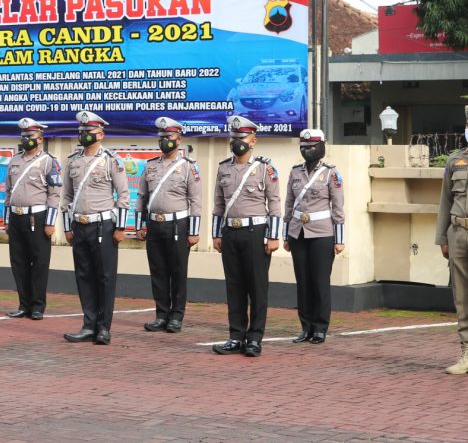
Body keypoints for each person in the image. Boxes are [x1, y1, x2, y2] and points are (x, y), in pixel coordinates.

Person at [211, 116, 281, 358]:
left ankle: (254, 338)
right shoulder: (223, 167)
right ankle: (236, 336)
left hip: (256, 233)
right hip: (230, 232)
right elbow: (218, 204)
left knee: (257, 287)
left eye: (242, 137)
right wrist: (215, 234)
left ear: (253, 140)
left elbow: (274, 204)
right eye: (234, 138)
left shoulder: (265, 168)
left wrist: (274, 236)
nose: (237, 142)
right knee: (234, 286)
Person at [61, 111, 128, 345]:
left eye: (88, 131)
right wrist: (67, 227)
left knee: (105, 278)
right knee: (84, 276)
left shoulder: (111, 160)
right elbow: (66, 196)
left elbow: (123, 196)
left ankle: (103, 328)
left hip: (103, 227)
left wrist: (120, 227)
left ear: (100, 134)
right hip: (79, 225)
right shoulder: (73, 160)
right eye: (81, 131)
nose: (84, 135)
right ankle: (88, 325)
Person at [135, 117, 201, 334]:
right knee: (158, 271)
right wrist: (140, 225)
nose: (164, 141)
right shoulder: (151, 166)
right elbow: (142, 197)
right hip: (155, 225)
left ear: (179, 140)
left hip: (178, 225)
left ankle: (176, 316)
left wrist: (194, 231)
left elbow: (196, 200)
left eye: (169, 137)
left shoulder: (188, 167)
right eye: (161, 137)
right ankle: (161, 314)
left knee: (177, 271)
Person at [284, 128, 344, 345]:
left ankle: (319, 328)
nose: (307, 150)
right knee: (303, 282)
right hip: (298, 233)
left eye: (312, 146)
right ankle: (306, 327)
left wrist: (339, 239)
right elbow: (289, 204)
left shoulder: (331, 173)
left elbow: (338, 208)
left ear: (321, 147)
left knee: (319, 282)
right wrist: (286, 235)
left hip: (322, 234)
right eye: (304, 147)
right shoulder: (295, 172)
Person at [4, 117, 62, 320]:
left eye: (31, 135)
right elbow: (8, 192)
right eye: (24, 136)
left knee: (39, 263)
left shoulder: (49, 161)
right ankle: (24, 304)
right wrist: (6, 220)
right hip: (16, 217)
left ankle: (37, 306)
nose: (27, 139)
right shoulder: (14, 160)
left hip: (37, 218)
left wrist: (50, 222)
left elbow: (54, 195)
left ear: (40, 138)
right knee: (18, 262)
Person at [435, 106, 468, 374]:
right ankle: (467, 351)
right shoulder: (455, 161)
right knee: (462, 296)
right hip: (458, 234)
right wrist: (442, 238)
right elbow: (445, 202)